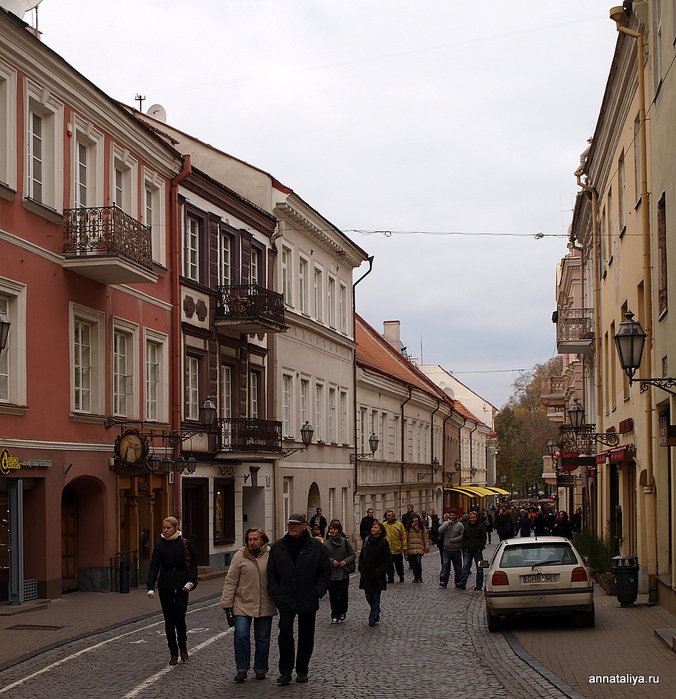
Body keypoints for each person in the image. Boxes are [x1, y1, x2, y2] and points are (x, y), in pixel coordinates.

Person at [267, 513, 331, 686]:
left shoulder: (317, 548)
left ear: (305, 526)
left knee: (306, 635)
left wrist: (318, 591)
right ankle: (285, 672)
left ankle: (302, 670)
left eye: (296, 524)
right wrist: (275, 592)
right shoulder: (279, 547)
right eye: (290, 525)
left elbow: (325, 572)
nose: (292, 527)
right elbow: (271, 573)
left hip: (307, 596)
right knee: (285, 632)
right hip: (285, 597)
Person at [220, 528, 276, 682]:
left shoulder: (270, 555)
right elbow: (231, 580)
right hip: (242, 603)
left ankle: (260, 668)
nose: (252, 542)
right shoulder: (240, 556)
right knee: (241, 635)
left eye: (255, 539)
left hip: (264, 602)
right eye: (249, 539)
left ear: (263, 540)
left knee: (263, 638)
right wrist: (226, 603)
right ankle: (242, 668)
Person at [146, 516, 198, 666]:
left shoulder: (185, 544)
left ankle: (183, 647)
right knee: (169, 621)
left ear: (176, 528)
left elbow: (193, 564)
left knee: (180, 618)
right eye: (164, 528)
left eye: (168, 528)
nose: (165, 530)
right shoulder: (160, 546)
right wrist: (150, 587)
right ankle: (173, 652)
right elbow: (154, 567)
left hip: (182, 584)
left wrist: (191, 581)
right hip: (165, 585)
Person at [358, 520, 392, 626]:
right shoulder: (367, 540)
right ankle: (376, 610)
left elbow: (388, 559)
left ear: (381, 531)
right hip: (367, 573)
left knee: (376, 596)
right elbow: (362, 555)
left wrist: (381, 570)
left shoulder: (383, 542)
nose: (373, 529)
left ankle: (372, 618)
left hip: (377, 574)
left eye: (376, 527)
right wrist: (361, 567)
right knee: (368, 596)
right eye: (373, 527)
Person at [323, 520, 356, 623]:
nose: (332, 531)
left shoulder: (344, 542)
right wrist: (332, 561)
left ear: (339, 530)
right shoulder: (325, 544)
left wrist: (345, 562)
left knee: (343, 595)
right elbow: (322, 557)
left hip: (343, 573)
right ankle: (334, 614)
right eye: (331, 529)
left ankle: (342, 612)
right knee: (333, 596)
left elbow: (352, 555)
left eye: (334, 529)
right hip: (331, 573)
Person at [457, 510, 487, 591]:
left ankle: (479, 584)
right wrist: (464, 547)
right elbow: (463, 538)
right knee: (465, 567)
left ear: (476, 518)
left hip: (477, 550)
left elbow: (483, 538)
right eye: (471, 518)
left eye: (473, 518)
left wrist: (480, 547)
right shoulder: (466, 526)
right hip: (467, 550)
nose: (472, 519)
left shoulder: (481, 526)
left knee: (480, 568)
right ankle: (463, 583)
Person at [438, 509, 464, 588]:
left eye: (454, 515)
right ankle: (443, 581)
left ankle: (458, 581)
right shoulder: (445, 523)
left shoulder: (460, 525)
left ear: (456, 516)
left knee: (458, 567)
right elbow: (440, 531)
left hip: (456, 549)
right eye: (451, 515)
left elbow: (462, 535)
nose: (452, 517)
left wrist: (455, 540)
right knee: (445, 565)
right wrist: (447, 524)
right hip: (446, 549)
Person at [382, 509, 407, 583]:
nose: (388, 517)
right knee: (389, 565)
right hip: (387, 549)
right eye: (387, 515)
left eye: (389, 515)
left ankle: (401, 575)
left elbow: (403, 536)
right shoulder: (384, 525)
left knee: (398, 565)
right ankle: (390, 578)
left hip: (397, 549)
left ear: (393, 516)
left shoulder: (399, 524)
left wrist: (404, 548)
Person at [404, 513, 429, 582]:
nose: (415, 519)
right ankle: (415, 577)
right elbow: (406, 537)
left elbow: (425, 537)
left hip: (419, 547)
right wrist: (405, 547)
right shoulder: (409, 527)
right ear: (411, 519)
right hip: (411, 547)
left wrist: (426, 546)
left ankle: (420, 576)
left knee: (418, 562)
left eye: (416, 518)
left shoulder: (422, 527)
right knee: (414, 564)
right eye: (413, 518)